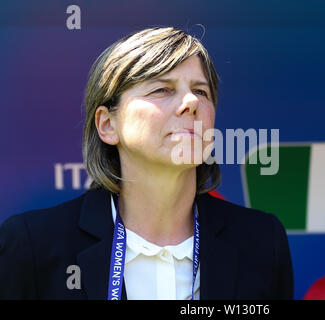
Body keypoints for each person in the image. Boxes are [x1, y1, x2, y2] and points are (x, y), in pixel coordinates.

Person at [0, 27, 293, 300]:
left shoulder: (262, 241)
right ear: (107, 125)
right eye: (162, 89)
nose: (191, 102)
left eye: (201, 91)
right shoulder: (34, 245)